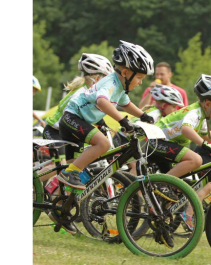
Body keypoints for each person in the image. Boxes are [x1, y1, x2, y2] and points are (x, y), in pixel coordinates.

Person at [57, 40, 156, 193]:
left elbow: (126, 104)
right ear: (125, 73)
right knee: (103, 144)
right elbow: (102, 101)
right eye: (139, 78)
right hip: (73, 118)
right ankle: (68, 173)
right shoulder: (111, 83)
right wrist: (122, 120)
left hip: (79, 122)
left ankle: (59, 207)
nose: (141, 82)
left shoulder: (120, 89)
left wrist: (143, 115)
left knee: (74, 177)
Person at [149, 74, 211, 229]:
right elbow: (186, 129)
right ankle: (160, 186)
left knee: (201, 182)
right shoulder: (195, 112)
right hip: (157, 141)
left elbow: (206, 134)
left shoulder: (202, 116)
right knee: (196, 159)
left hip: (168, 145)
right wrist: (205, 145)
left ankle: (161, 215)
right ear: (208, 103)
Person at [44, 53, 113, 165]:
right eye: (105, 78)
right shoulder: (81, 92)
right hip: (54, 130)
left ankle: (60, 182)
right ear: (96, 78)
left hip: (71, 133)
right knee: (59, 166)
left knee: (76, 164)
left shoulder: (89, 91)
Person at [113, 84, 184, 175]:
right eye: (173, 107)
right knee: (136, 167)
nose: (175, 110)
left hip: (130, 141)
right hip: (122, 139)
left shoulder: (157, 112)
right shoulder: (155, 114)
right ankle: (130, 188)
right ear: (163, 105)